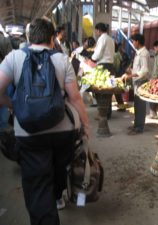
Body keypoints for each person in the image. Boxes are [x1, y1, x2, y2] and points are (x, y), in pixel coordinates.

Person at [0, 18, 89, 225]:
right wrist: (85, 126)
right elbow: (75, 98)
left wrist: (14, 104)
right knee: (59, 170)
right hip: (63, 131)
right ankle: (57, 196)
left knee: (38, 184)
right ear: (51, 38)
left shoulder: (13, 58)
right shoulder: (61, 59)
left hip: (29, 134)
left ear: (29, 38)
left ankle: (47, 210)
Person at [122, 33, 150, 135]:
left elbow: (144, 70)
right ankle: (136, 124)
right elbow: (138, 69)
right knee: (137, 105)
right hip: (137, 81)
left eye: (133, 41)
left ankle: (139, 127)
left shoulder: (144, 53)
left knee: (140, 105)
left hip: (141, 82)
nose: (133, 43)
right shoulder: (139, 52)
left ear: (137, 42)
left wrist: (130, 76)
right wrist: (130, 71)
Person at [89, 22, 115, 119]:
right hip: (111, 67)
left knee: (101, 90)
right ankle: (108, 113)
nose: (96, 33)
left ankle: (102, 114)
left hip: (103, 67)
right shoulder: (111, 39)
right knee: (110, 89)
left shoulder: (102, 39)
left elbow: (98, 54)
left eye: (96, 31)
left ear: (99, 30)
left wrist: (92, 58)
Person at [113, 43, 126, 111]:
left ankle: (121, 106)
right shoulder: (118, 54)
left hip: (116, 75)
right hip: (119, 74)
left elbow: (115, 66)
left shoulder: (114, 55)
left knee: (116, 91)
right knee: (117, 91)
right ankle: (121, 106)